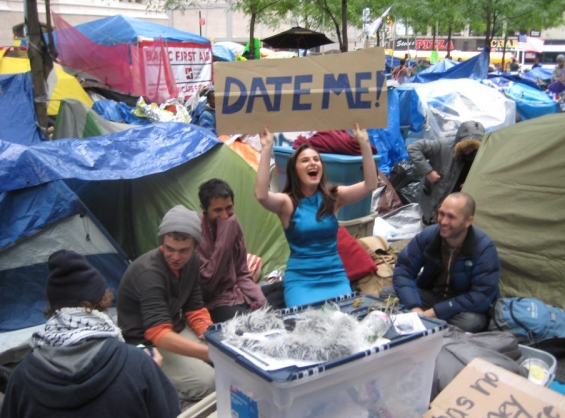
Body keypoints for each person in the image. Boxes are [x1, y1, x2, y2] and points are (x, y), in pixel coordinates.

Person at [0, 250, 180, 418]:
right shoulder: (137, 364)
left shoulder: (22, 378)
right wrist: (150, 371)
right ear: (103, 302)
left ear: (53, 310)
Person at [255, 123, 377, 307]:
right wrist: (266, 149)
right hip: (301, 281)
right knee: (308, 326)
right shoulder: (287, 203)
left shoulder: (333, 197)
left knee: (342, 324)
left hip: (335, 276)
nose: (312, 163)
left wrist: (364, 144)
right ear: (294, 170)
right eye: (305, 160)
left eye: (316, 159)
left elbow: (370, 185)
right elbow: (261, 195)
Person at [117, 205, 215, 405]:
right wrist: (208, 352)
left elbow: (194, 306)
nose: (176, 257)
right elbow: (158, 333)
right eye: (169, 249)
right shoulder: (149, 273)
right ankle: (156, 390)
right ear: (162, 242)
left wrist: (211, 334)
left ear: (195, 247)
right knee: (210, 382)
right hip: (144, 340)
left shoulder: (193, 260)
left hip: (172, 326)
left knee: (226, 360)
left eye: (184, 250)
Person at [392, 192, 500, 333]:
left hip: (461, 306)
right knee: (390, 293)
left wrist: (434, 313)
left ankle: (426, 325)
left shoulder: (484, 248)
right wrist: (415, 308)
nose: (443, 221)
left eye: (451, 217)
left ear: (468, 221)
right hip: (432, 296)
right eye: (441, 213)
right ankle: (430, 325)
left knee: (472, 322)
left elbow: (481, 296)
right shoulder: (429, 236)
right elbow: (403, 270)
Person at [197, 178, 268, 323]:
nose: (224, 216)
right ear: (204, 209)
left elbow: (242, 272)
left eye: (228, 208)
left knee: (280, 293)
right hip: (214, 301)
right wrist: (225, 238)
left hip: (237, 292)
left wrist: (259, 298)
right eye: (217, 210)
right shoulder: (197, 234)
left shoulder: (233, 224)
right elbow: (207, 284)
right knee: (245, 321)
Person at [407, 120, 484, 226]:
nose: (469, 150)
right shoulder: (443, 146)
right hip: (433, 196)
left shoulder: (478, 156)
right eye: (466, 146)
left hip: (456, 200)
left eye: (472, 148)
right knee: (430, 224)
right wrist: (428, 171)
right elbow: (413, 148)